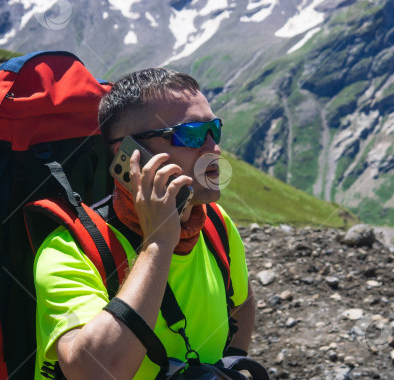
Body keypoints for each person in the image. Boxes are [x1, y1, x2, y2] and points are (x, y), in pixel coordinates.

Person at [33, 68, 255, 380]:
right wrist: (157, 244)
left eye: (213, 130)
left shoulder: (214, 223)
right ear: (132, 153)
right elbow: (94, 373)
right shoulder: (70, 250)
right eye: (191, 133)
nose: (213, 148)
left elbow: (242, 303)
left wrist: (232, 364)